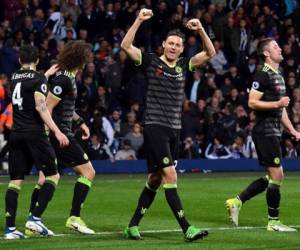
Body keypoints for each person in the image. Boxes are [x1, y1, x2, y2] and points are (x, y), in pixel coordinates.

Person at [121, 8, 215, 241]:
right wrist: (138, 20)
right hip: (154, 126)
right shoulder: (151, 61)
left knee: (155, 179)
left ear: (182, 48)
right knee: (171, 176)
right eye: (170, 43)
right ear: (163, 44)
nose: (173, 47)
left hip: (174, 129)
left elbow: (210, 52)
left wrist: (201, 29)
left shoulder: (185, 65)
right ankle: (187, 228)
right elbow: (125, 46)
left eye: (178, 44)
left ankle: (132, 225)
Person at [225, 38, 300, 232]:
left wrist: (292, 130)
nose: (280, 48)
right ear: (267, 53)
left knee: (274, 175)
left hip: (274, 131)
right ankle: (273, 222)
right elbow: (252, 102)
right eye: (276, 46)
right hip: (264, 132)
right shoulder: (262, 74)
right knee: (277, 175)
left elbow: (281, 109)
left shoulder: (279, 75)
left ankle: (237, 202)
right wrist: (277, 104)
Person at [30, 41, 96, 234]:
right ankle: (74, 217)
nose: (89, 59)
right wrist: (52, 133)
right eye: (87, 56)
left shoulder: (66, 76)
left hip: (59, 132)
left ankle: (32, 222)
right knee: (88, 172)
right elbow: (47, 107)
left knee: (45, 178)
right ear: (81, 58)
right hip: (60, 135)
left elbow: (65, 106)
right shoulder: (64, 79)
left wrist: (80, 121)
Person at [4, 45, 69, 239]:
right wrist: (57, 132)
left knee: (15, 182)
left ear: (19, 60)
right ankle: (35, 218)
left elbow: (26, 87)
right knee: (52, 175)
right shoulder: (38, 79)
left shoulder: (13, 77)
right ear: (38, 60)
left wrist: (45, 75)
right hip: (35, 133)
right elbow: (41, 107)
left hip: (16, 134)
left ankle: (10, 230)